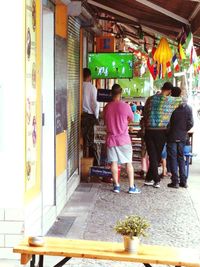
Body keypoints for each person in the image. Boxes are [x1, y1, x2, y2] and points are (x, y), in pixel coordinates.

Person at [143, 82, 181, 188]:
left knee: (153, 155)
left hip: (149, 130)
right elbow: (182, 100)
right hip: (161, 131)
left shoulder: (150, 99)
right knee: (156, 156)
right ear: (169, 91)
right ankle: (156, 180)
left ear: (162, 88)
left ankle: (149, 178)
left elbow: (145, 113)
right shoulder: (170, 101)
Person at [104, 84, 141, 194]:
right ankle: (131, 187)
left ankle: (116, 186)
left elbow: (105, 120)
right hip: (124, 139)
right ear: (120, 94)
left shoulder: (107, 107)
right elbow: (131, 119)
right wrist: (124, 124)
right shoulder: (126, 106)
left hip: (111, 139)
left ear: (111, 93)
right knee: (128, 163)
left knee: (113, 162)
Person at [167, 86, 194, 188]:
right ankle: (183, 181)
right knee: (181, 158)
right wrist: (184, 130)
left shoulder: (169, 107)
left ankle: (175, 182)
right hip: (183, 136)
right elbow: (191, 123)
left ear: (171, 94)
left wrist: (168, 132)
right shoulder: (188, 107)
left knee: (173, 158)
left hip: (171, 136)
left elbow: (167, 123)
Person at [81, 68, 99, 162]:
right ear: (90, 76)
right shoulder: (92, 88)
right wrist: (96, 117)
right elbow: (95, 104)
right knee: (92, 142)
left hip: (79, 117)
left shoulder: (78, 86)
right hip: (89, 117)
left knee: (81, 140)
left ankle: (83, 161)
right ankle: (93, 164)